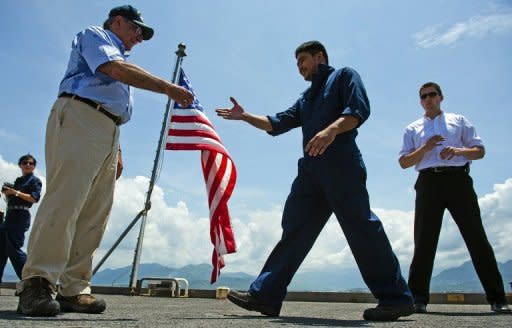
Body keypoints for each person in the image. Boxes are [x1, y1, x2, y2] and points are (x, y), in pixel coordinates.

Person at [216, 41, 414, 321]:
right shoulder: (306, 98)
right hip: (310, 173)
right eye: (297, 64)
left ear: (320, 57)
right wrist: (245, 116)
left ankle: (396, 299)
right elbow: (277, 122)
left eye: (303, 61)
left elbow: (358, 110)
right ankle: (266, 296)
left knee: (361, 227)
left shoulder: (344, 76)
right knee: (294, 231)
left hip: (341, 165)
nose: (300, 67)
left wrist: (331, 131)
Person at [16, 5, 193, 317]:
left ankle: (73, 286)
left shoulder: (123, 61)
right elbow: (112, 69)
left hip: (107, 128)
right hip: (80, 113)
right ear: (119, 21)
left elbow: (114, 106)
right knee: (66, 199)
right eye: (137, 29)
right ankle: (37, 281)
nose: (139, 37)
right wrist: (168, 88)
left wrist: (118, 148)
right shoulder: (95, 36)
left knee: (95, 211)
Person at [398, 82, 511, 314]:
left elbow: (479, 151)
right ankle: (418, 299)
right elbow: (404, 162)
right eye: (423, 96)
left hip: (458, 180)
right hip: (428, 183)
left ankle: (498, 298)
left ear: (441, 97)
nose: (428, 99)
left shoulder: (458, 121)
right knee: (424, 241)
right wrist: (425, 148)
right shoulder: (412, 128)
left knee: (476, 237)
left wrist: (458, 151)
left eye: (432, 94)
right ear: (420, 101)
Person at [0, 155, 42, 284]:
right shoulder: (18, 181)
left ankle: (29, 280)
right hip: (10, 214)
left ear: (34, 166)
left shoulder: (35, 181)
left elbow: (34, 198)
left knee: (14, 248)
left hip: (21, 216)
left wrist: (15, 192)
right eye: (25, 163)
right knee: (2, 249)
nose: (28, 165)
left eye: (31, 163)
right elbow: (12, 196)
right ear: (20, 165)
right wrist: (7, 193)